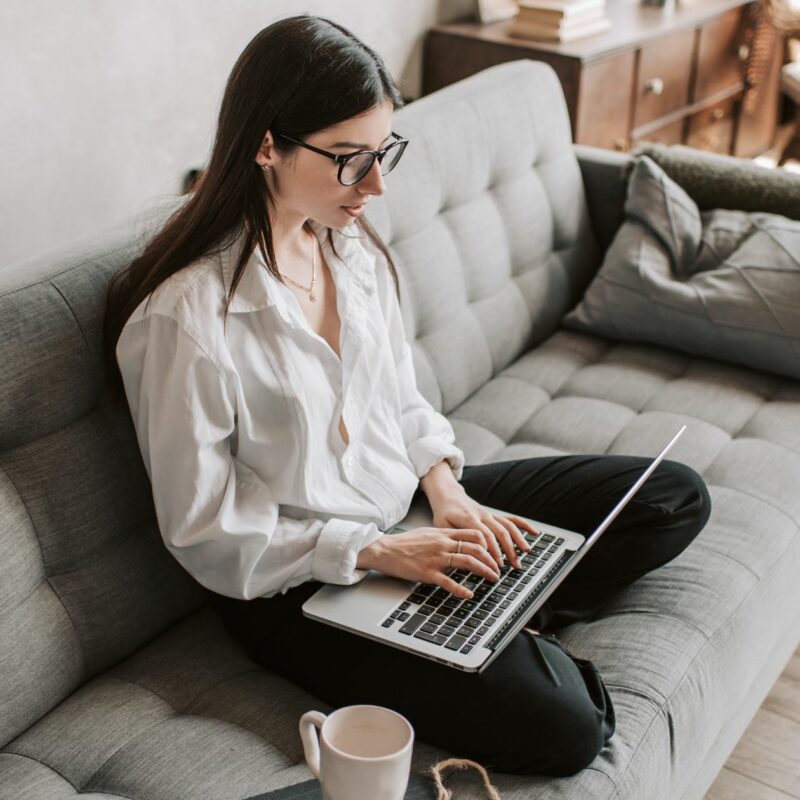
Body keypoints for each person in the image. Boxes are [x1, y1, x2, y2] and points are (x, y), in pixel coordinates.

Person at [104, 13, 712, 777]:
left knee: (673, 497)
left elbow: (399, 396)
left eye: (384, 151)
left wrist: (447, 491)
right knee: (569, 730)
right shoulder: (185, 320)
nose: (379, 184)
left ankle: (489, 608)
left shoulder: (345, 244)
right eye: (353, 159)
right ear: (267, 145)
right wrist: (379, 553)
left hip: (406, 511)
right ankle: (494, 620)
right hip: (299, 583)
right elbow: (205, 531)